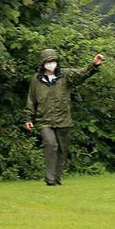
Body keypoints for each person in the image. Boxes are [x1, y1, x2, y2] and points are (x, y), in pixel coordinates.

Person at [24, 49, 104, 186]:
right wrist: (28, 118)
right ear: (43, 63)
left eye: (53, 61)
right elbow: (31, 100)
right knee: (51, 144)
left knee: (62, 149)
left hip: (63, 119)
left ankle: (57, 178)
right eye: (49, 61)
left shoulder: (65, 75)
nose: (51, 64)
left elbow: (81, 74)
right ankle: (49, 179)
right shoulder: (36, 80)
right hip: (44, 120)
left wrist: (94, 64)